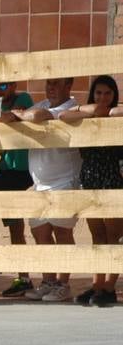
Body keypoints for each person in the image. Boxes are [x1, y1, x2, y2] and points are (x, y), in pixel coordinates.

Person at [0, 77, 85, 303]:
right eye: (49, 83)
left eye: (56, 83)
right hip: (40, 182)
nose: (50, 87)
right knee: (41, 233)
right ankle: (48, 281)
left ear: (68, 85)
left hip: (64, 180)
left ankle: (63, 284)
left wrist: (20, 114)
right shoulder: (41, 104)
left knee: (62, 233)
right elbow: (13, 116)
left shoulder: (70, 106)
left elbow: (36, 117)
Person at [74, 75, 123, 307]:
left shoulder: (117, 116)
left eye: (108, 94)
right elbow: (65, 115)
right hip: (91, 179)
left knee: (113, 236)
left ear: (115, 96)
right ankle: (97, 284)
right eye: (99, 93)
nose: (103, 98)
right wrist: (91, 109)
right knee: (97, 236)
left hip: (113, 178)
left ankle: (109, 287)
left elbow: (115, 113)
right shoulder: (86, 116)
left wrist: (109, 110)